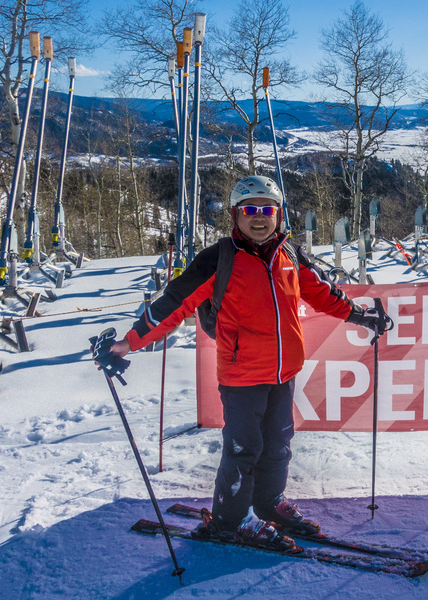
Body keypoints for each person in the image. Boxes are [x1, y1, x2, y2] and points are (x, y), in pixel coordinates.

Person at [107, 175, 390, 549]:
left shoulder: (289, 255)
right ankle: (231, 520)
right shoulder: (218, 259)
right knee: (243, 449)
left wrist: (359, 315)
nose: (259, 217)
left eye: (267, 209)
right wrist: (129, 343)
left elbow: (323, 293)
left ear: (278, 215)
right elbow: (174, 303)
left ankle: (268, 503)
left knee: (278, 445)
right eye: (250, 209)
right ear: (235, 215)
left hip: (283, 372)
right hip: (241, 376)